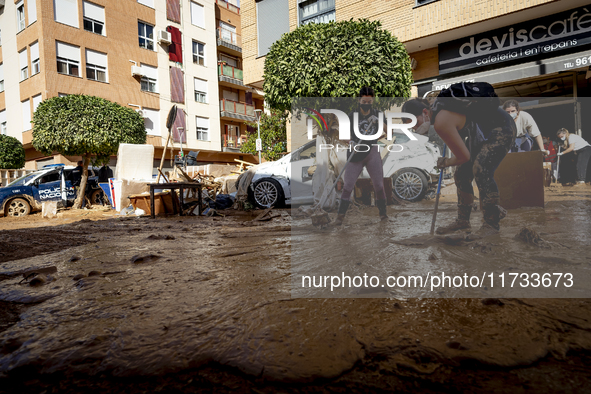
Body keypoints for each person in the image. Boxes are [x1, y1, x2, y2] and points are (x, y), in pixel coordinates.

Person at [430, 82, 517, 238]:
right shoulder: (443, 112)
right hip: (480, 132)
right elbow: (464, 146)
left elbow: (464, 156)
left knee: (481, 169)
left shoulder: (441, 119)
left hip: (501, 127)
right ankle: (462, 221)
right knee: (462, 174)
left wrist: (446, 162)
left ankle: (491, 224)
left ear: (424, 112)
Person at [334, 86, 387, 225]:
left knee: (379, 186)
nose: (366, 105)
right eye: (364, 101)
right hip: (355, 154)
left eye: (369, 102)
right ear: (359, 100)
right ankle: (339, 218)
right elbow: (343, 134)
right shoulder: (352, 116)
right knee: (347, 187)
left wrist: (380, 121)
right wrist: (351, 142)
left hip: (372, 152)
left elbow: (390, 131)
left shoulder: (378, 114)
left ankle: (383, 216)